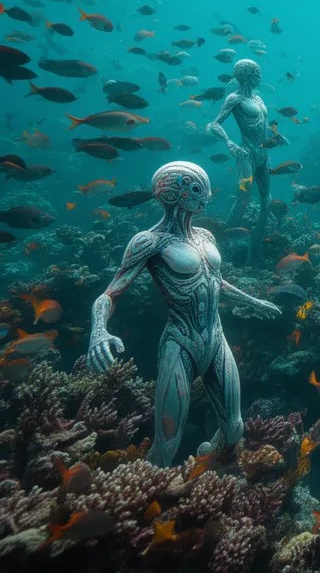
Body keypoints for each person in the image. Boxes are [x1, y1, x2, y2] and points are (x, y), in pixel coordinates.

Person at [86, 162, 280, 467]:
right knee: (168, 440)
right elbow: (110, 293)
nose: (205, 197)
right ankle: (148, 495)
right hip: (180, 341)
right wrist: (99, 330)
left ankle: (207, 464)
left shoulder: (205, 237)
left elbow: (214, 281)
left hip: (216, 338)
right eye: (195, 189)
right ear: (172, 192)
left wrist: (253, 301)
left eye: (204, 189)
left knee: (234, 428)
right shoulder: (149, 242)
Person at [205, 58, 281, 264]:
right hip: (246, 153)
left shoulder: (259, 99)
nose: (260, 77)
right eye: (257, 73)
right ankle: (222, 247)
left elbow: (263, 125)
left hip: (264, 154)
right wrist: (230, 143)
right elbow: (214, 125)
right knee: (243, 199)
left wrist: (276, 137)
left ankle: (255, 249)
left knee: (267, 201)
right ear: (247, 75)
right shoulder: (234, 98)